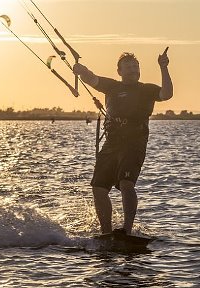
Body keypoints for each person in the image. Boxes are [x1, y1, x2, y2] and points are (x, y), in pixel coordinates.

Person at [73, 48, 173, 235]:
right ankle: (106, 232)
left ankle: (126, 231)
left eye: (135, 66)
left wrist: (164, 67)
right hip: (111, 143)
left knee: (126, 183)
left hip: (134, 143)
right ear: (119, 71)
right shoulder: (111, 86)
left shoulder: (146, 89)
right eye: (128, 67)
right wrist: (81, 69)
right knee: (98, 187)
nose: (133, 70)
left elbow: (167, 94)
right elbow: (92, 78)